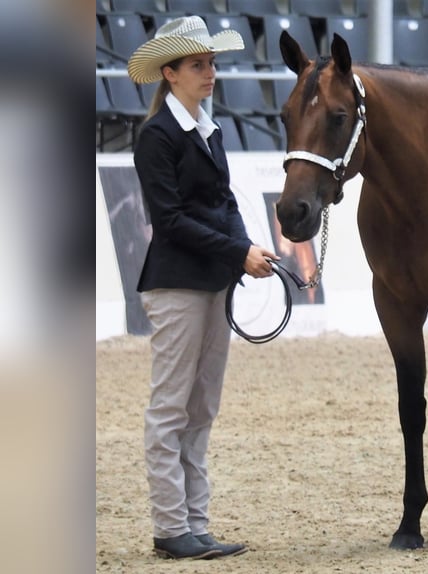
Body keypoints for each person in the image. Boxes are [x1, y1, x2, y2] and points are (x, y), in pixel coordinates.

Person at [127, 16, 279, 560]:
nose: (210, 72)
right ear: (170, 74)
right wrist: (237, 252)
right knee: (171, 408)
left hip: (212, 281)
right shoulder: (157, 137)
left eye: (211, 63)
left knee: (201, 409)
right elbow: (169, 221)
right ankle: (171, 526)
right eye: (199, 65)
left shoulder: (206, 129)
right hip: (175, 286)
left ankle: (194, 523)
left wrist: (247, 252)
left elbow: (225, 205)